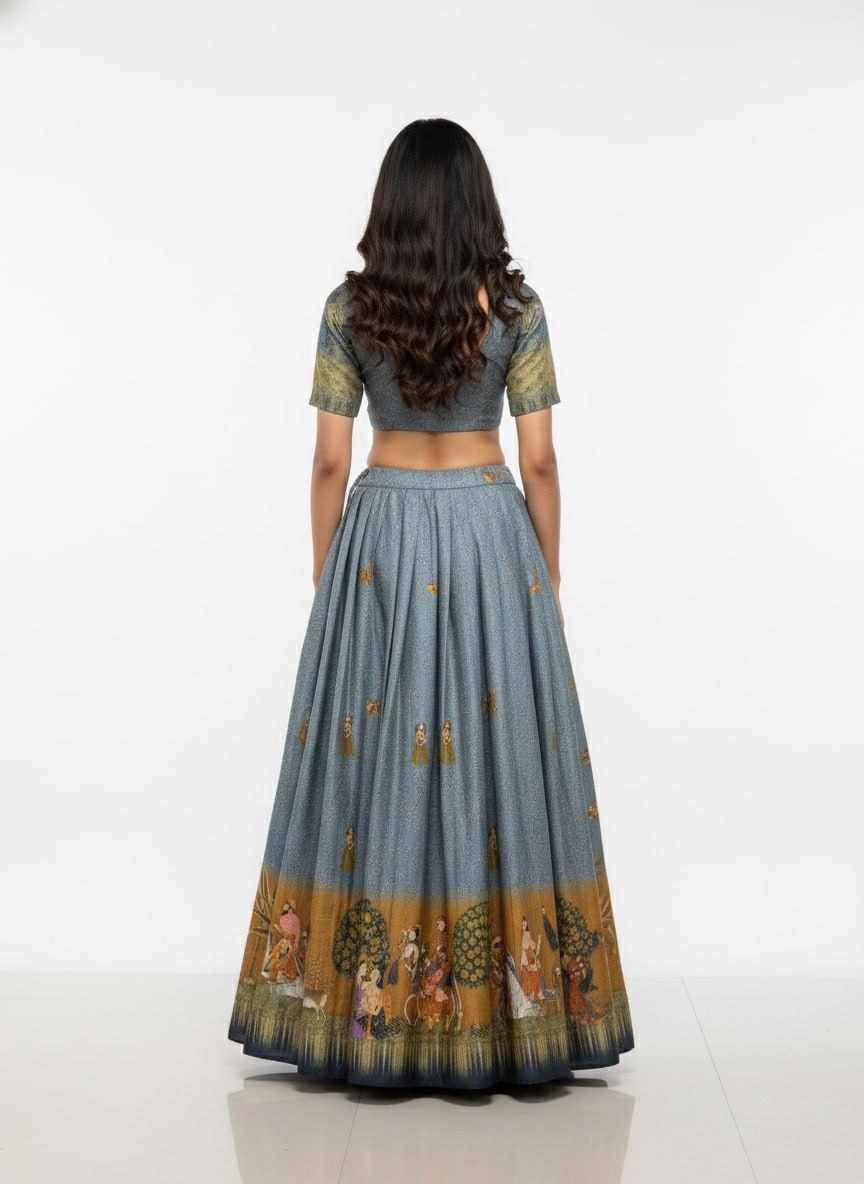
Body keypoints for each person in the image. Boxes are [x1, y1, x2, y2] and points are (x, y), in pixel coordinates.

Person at [228, 117, 634, 1088]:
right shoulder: (518, 309)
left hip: (380, 532)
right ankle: (515, 1017)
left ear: (392, 204)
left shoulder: (349, 309)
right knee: (505, 754)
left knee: (368, 753)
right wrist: (549, 575)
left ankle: (357, 1010)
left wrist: (329, 572)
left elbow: (329, 459)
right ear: (479, 204)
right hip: (491, 529)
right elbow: (541, 458)